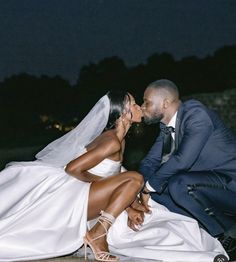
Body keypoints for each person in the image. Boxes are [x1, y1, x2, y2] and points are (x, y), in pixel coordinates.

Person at [0, 90, 227, 262]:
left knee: (154, 218)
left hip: (92, 196)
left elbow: (117, 175)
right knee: (136, 179)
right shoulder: (110, 140)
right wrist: (117, 189)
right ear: (124, 113)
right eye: (136, 104)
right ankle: (98, 234)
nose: (140, 107)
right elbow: (73, 169)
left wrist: (131, 205)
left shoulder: (120, 139)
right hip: (77, 198)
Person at [139, 79, 236, 260]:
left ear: (165, 103)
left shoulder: (195, 114)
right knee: (157, 193)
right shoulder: (166, 128)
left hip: (231, 184)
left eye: (147, 102)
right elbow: (149, 162)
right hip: (210, 186)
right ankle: (209, 233)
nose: (142, 106)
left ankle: (229, 235)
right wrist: (141, 186)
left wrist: (148, 186)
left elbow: (182, 160)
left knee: (179, 184)